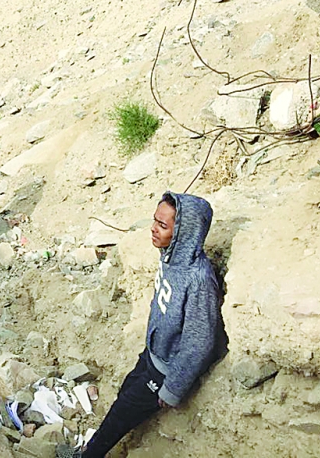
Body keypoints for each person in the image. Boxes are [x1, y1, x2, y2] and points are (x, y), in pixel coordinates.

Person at [73, 191, 227, 457]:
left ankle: (89, 454)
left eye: (163, 225)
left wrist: (172, 389)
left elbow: (198, 342)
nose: (153, 230)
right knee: (124, 396)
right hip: (152, 356)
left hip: (165, 370)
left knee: (121, 416)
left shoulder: (198, 280)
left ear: (183, 232)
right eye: (155, 221)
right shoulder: (170, 257)